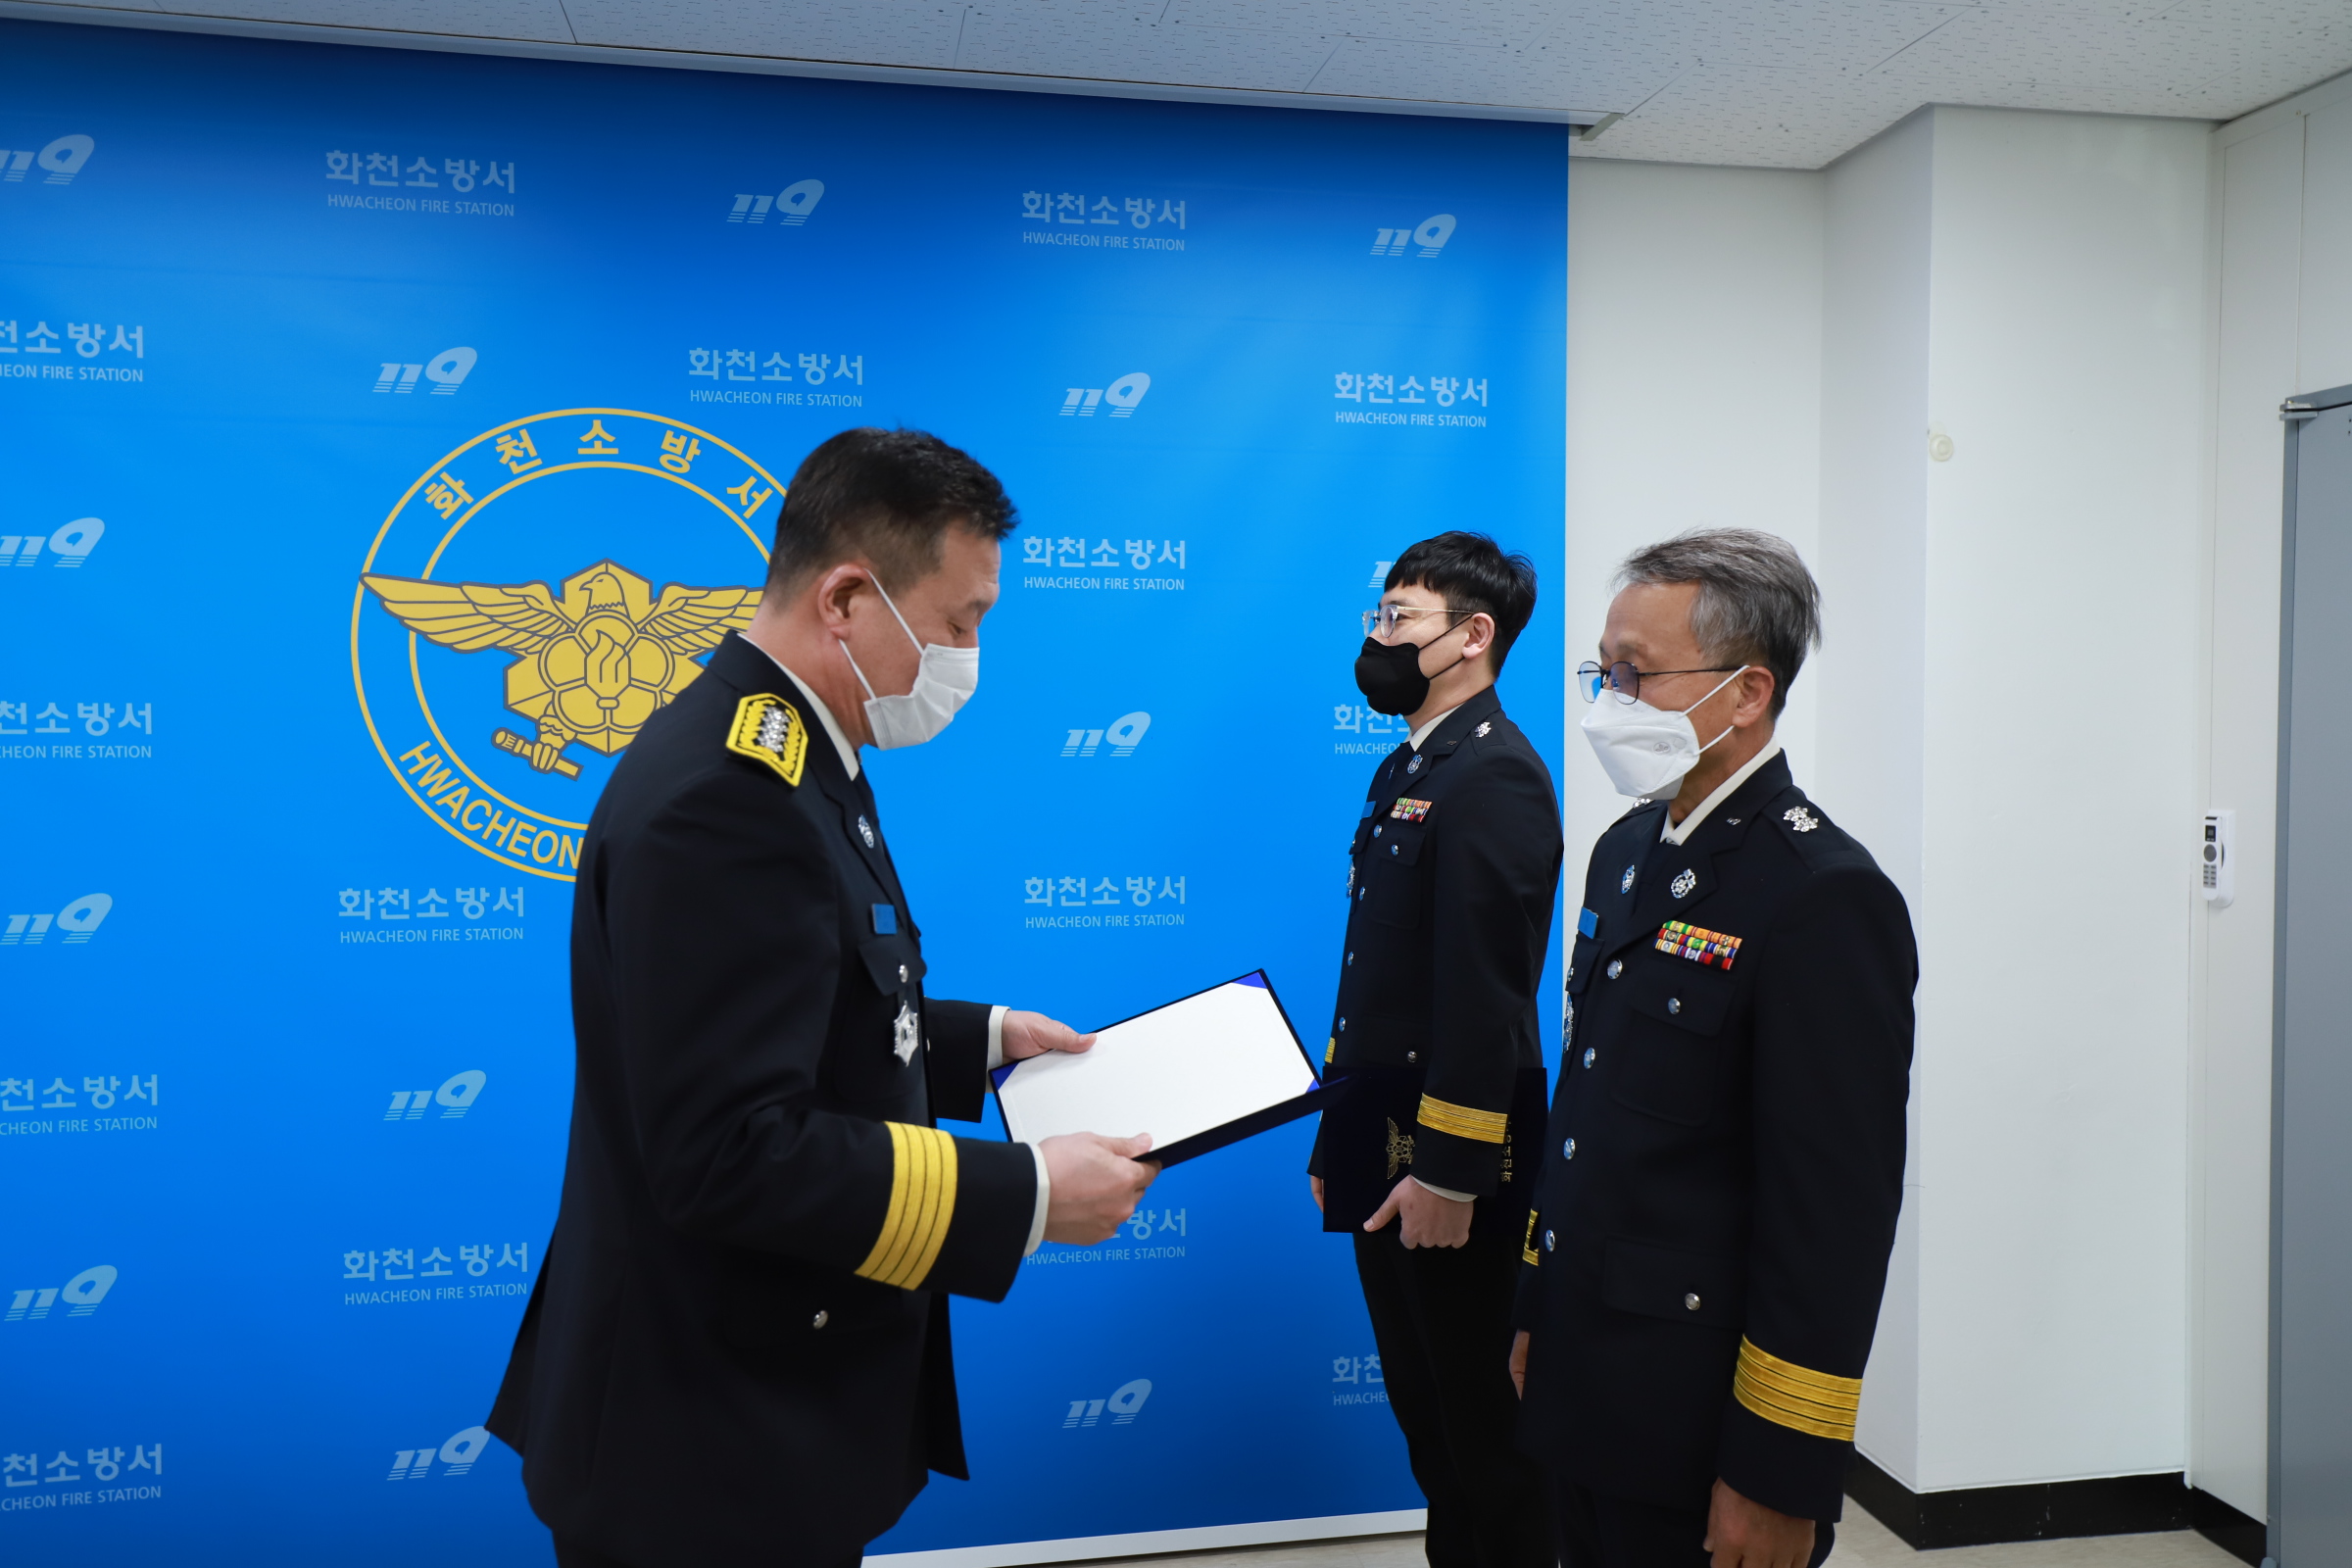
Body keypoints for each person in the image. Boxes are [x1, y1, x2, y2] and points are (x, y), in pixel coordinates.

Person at [486, 427, 1161, 1568]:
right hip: (703, 1440)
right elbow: (729, 1149)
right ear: (847, 598)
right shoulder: (729, 795)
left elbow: (804, 1000)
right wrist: (1030, 1193)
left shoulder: (790, 748)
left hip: (756, 1402)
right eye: (960, 623)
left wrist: (984, 1044)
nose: (969, 656)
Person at [1511, 529, 1915, 1568]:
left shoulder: (1823, 895)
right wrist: (1536, 1312)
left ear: (1746, 694)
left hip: (1695, 1420)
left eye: (1635, 674)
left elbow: (1832, 1219)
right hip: (1583, 1378)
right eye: (1603, 670)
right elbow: (1585, 1118)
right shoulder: (1626, 851)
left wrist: (1779, 1469)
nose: (1608, 700)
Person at [1308, 532, 1563, 1568]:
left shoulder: (1495, 776)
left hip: (1457, 1153)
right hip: (1384, 1134)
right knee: (1429, 1419)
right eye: (1379, 615)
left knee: (1484, 1430)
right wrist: (1338, 1139)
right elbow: (1378, 977)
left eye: (1400, 618)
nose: (1379, 636)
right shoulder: (1409, 765)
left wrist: (1451, 1172)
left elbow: (1483, 996)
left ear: (1473, 636)